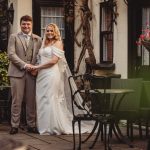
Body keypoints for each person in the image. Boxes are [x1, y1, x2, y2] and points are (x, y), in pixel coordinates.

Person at [31, 23, 91, 135]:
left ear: (55, 32)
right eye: (47, 30)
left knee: (50, 98)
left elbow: (53, 61)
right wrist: (36, 68)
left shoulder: (58, 43)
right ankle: (43, 126)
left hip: (51, 74)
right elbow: (41, 58)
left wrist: (37, 67)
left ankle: (53, 126)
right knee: (41, 99)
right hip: (41, 76)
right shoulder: (44, 42)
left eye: (51, 31)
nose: (49, 33)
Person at [7, 15, 42, 134]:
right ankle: (14, 125)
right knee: (17, 100)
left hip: (32, 74)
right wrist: (25, 65)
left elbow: (39, 56)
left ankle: (31, 125)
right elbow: (11, 54)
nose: (26, 26)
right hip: (17, 73)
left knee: (31, 101)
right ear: (20, 24)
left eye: (28, 24)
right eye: (24, 24)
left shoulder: (38, 39)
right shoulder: (13, 37)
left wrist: (36, 68)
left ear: (31, 25)